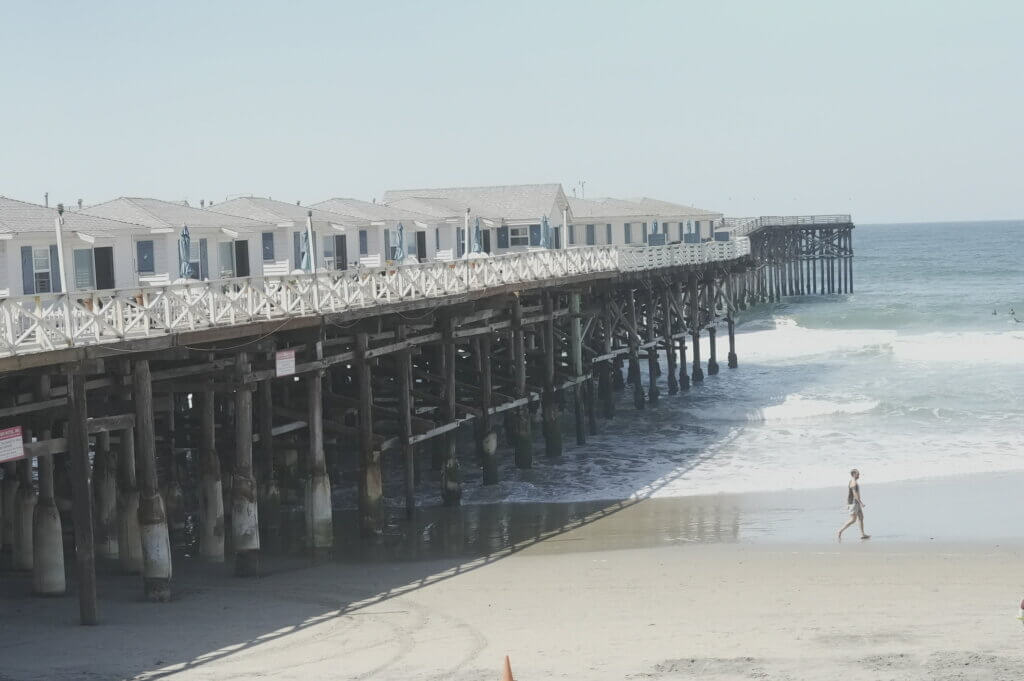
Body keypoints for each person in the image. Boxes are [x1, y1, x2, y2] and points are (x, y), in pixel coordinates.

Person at [838, 469, 870, 541]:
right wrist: (861, 502)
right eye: (858, 474)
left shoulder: (854, 482)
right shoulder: (853, 483)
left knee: (861, 517)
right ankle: (840, 531)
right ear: (853, 474)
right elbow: (855, 494)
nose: (859, 475)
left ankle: (862, 534)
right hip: (853, 503)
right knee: (853, 520)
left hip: (856, 502)